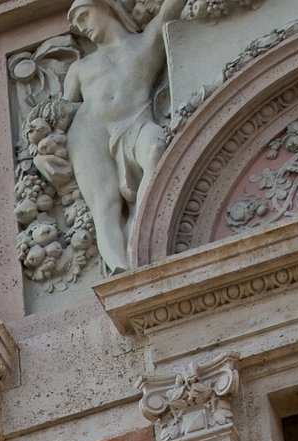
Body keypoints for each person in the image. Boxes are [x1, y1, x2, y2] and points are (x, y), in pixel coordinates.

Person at [63, 0, 181, 272]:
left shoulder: (145, 43)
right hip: (89, 132)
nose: (82, 26)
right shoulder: (79, 68)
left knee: (155, 148)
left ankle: (139, 234)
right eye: (77, 24)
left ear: (106, 6)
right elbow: (62, 111)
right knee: (104, 204)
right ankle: (119, 269)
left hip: (136, 122)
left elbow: (170, 10)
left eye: (84, 16)